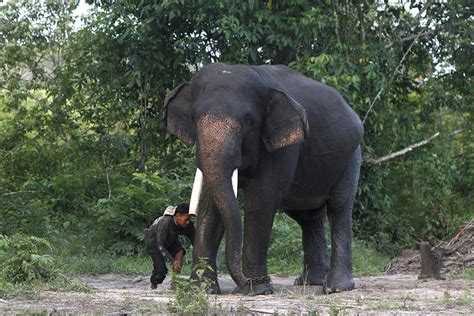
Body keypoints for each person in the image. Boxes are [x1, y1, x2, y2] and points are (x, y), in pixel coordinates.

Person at [144, 203, 194, 289]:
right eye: (186, 219)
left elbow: (195, 240)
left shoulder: (188, 225)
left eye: (189, 219)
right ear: (177, 216)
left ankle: (174, 283)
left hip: (171, 240)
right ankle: (154, 283)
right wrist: (172, 260)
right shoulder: (165, 222)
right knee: (161, 270)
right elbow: (160, 244)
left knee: (180, 251)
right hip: (154, 243)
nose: (188, 222)